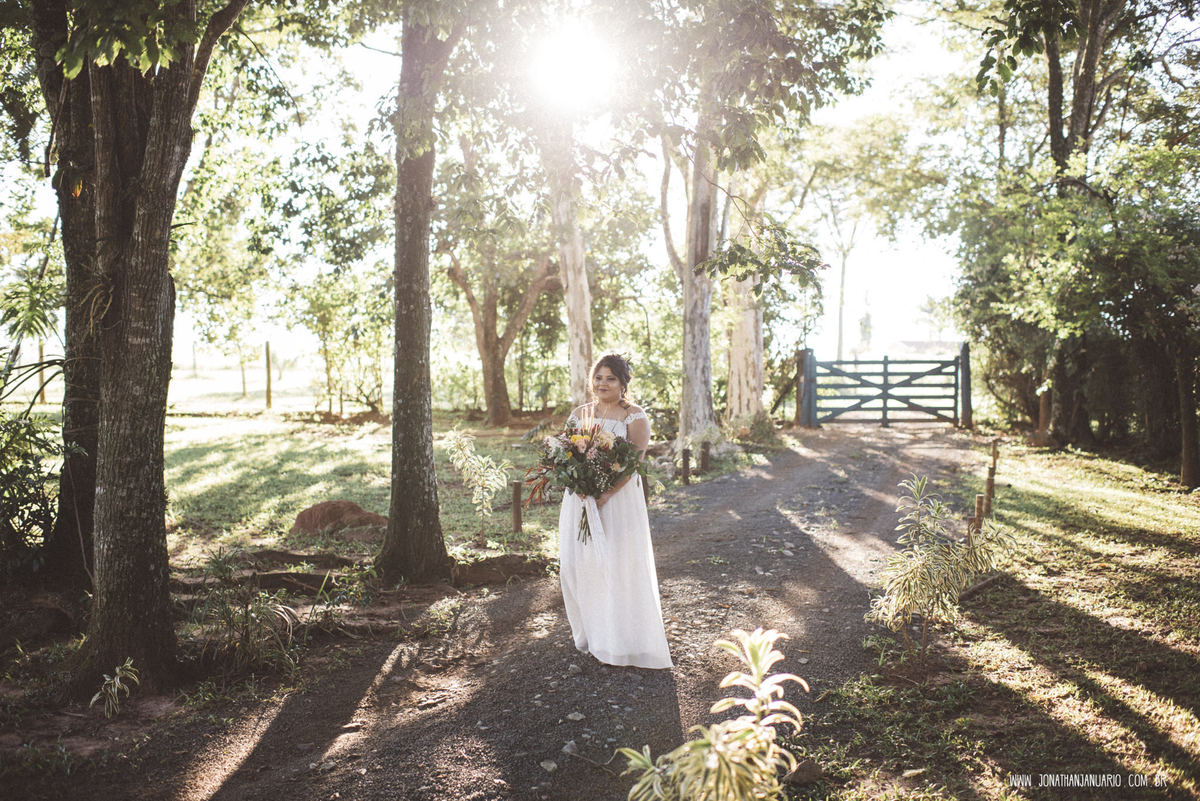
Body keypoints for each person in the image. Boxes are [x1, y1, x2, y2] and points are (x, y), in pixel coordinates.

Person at [557, 353, 672, 669]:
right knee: (578, 564)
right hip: (580, 499)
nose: (602, 384)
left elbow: (634, 461)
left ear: (623, 383)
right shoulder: (580, 414)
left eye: (610, 378)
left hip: (617, 501)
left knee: (617, 564)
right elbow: (567, 454)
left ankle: (621, 641)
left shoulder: (634, 417)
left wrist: (606, 493)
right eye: (598, 377)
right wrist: (580, 484)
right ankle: (593, 634)